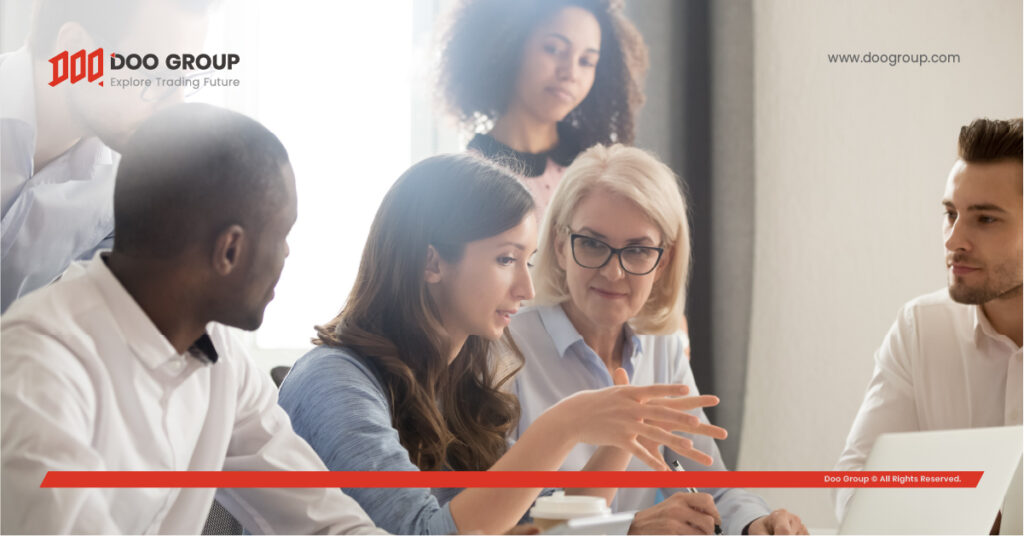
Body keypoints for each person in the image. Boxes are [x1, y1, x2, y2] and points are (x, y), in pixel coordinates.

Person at [277, 153, 727, 535]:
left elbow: (538, 526)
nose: (527, 289)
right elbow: (420, 532)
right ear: (432, 262)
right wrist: (561, 427)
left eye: (526, 261)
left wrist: (623, 434)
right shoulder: (332, 382)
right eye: (506, 258)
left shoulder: (455, 383)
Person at [0, 104, 386, 534]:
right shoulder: (39, 362)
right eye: (282, 235)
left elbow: (322, 517)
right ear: (229, 250)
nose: (286, 254)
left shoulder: (222, 357)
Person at [512, 144, 808, 535]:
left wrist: (755, 525)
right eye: (593, 244)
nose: (614, 273)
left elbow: (712, 487)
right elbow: (495, 523)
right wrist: (628, 529)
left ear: (663, 262)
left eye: (637, 250)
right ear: (560, 246)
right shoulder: (506, 349)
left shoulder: (662, 346)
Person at [834, 118, 1023, 522]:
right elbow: (854, 494)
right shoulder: (921, 329)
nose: (954, 240)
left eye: (985, 219)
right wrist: (963, 516)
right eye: (951, 213)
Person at [0, 0, 211, 312]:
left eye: (186, 80)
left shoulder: (126, 187)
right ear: (75, 51)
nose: (175, 106)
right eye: (157, 76)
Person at [437, 0, 647, 216]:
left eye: (586, 61)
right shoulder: (467, 181)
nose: (571, 73)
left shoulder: (597, 170)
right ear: (510, 46)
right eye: (553, 49)